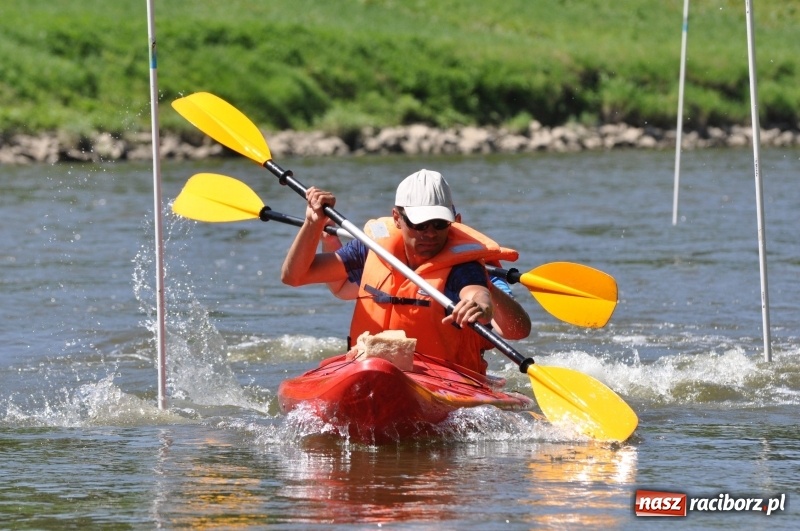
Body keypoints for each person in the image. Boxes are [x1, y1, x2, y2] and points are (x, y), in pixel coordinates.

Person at [281, 169, 530, 374]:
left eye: (439, 223)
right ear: (397, 218)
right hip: (370, 370)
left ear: (455, 221)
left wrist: (481, 304)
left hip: (444, 379)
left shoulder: (464, 266)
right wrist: (313, 224)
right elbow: (295, 276)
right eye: (419, 224)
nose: (430, 233)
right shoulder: (373, 248)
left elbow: (479, 296)